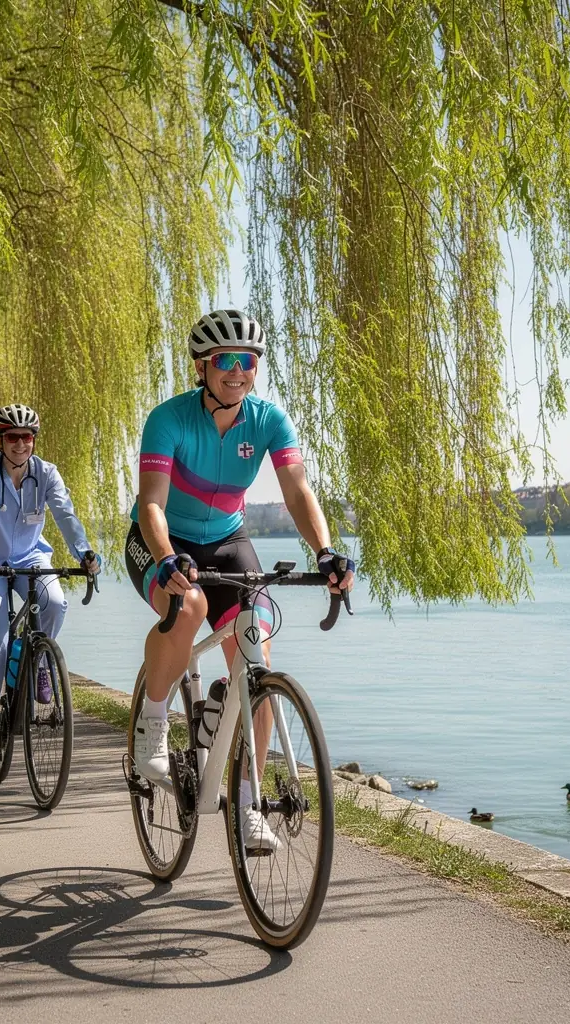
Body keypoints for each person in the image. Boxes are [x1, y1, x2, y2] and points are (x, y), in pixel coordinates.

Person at [125, 308, 355, 851]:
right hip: (159, 538)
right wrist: (165, 559)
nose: (237, 371)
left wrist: (324, 552)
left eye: (247, 361)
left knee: (257, 660)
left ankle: (248, 804)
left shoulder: (269, 420)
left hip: (227, 540)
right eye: (226, 361)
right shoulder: (169, 419)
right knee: (191, 608)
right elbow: (151, 503)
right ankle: (152, 726)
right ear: (203, 366)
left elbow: (297, 492)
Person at [0, 404, 100, 760]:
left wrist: (84, 553)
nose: (21, 444)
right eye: (13, 437)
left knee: (55, 602)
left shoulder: (46, 473)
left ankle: (39, 663)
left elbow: (65, 515)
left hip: (31, 557)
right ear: (0, 441)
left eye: (27, 437)